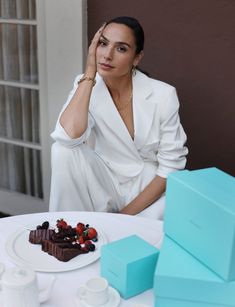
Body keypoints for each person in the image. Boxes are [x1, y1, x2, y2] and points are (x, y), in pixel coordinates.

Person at [49, 16, 188, 219]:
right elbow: (67, 137)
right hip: (104, 182)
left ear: (137, 58)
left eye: (121, 48)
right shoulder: (86, 84)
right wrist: (89, 72)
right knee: (62, 151)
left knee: (143, 233)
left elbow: (170, 167)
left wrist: (123, 216)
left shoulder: (163, 95)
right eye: (103, 44)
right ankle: (69, 230)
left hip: (147, 188)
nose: (107, 55)